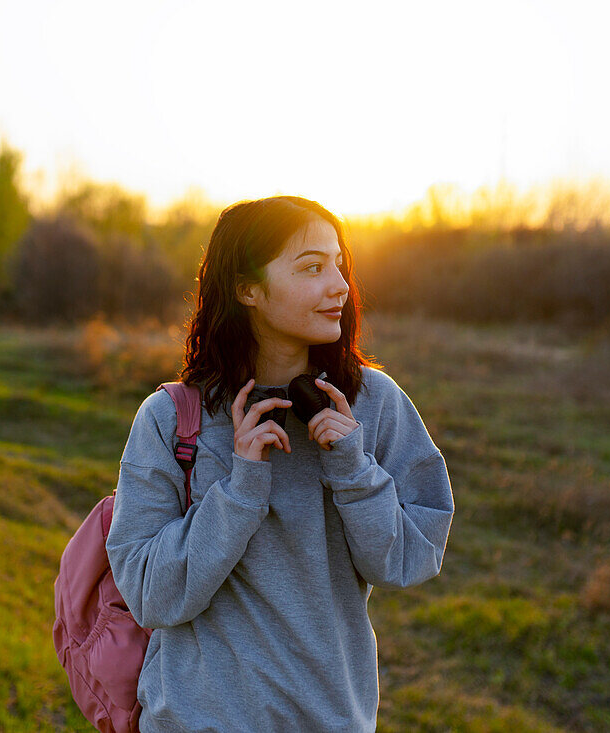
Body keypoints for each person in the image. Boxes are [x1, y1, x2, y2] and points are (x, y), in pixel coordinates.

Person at [105, 195, 454, 732]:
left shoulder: (372, 403)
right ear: (247, 289)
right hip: (197, 721)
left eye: (340, 264)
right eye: (313, 267)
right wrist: (240, 489)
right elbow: (151, 595)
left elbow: (409, 560)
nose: (339, 285)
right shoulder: (173, 419)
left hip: (331, 719)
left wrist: (353, 471)